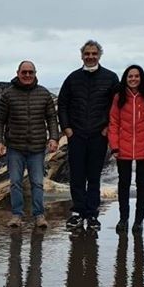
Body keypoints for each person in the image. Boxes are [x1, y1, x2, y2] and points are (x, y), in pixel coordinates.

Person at [58, 40, 119, 231]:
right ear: (82, 56)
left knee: (93, 176)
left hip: (98, 135)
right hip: (76, 135)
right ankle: (77, 213)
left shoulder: (110, 78)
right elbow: (63, 104)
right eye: (87, 54)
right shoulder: (73, 78)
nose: (90, 57)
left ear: (99, 55)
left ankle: (92, 215)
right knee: (77, 176)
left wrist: (108, 127)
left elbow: (117, 105)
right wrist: (66, 128)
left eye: (94, 53)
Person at [0, 60, 60, 228]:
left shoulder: (43, 93)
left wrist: (54, 138)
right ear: (18, 73)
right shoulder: (8, 94)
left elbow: (52, 118)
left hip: (37, 148)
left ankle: (39, 216)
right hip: (15, 148)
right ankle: (17, 215)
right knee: (15, 182)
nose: (27, 75)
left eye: (31, 72)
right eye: (24, 72)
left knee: (37, 183)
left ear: (35, 74)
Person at [107, 65, 144, 234]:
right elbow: (113, 123)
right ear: (126, 78)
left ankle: (139, 220)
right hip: (123, 147)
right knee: (124, 184)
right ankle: (123, 218)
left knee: (142, 184)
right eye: (130, 76)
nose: (133, 79)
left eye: (136, 76)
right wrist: (114, 146)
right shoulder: (119, 97)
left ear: (141, 78)